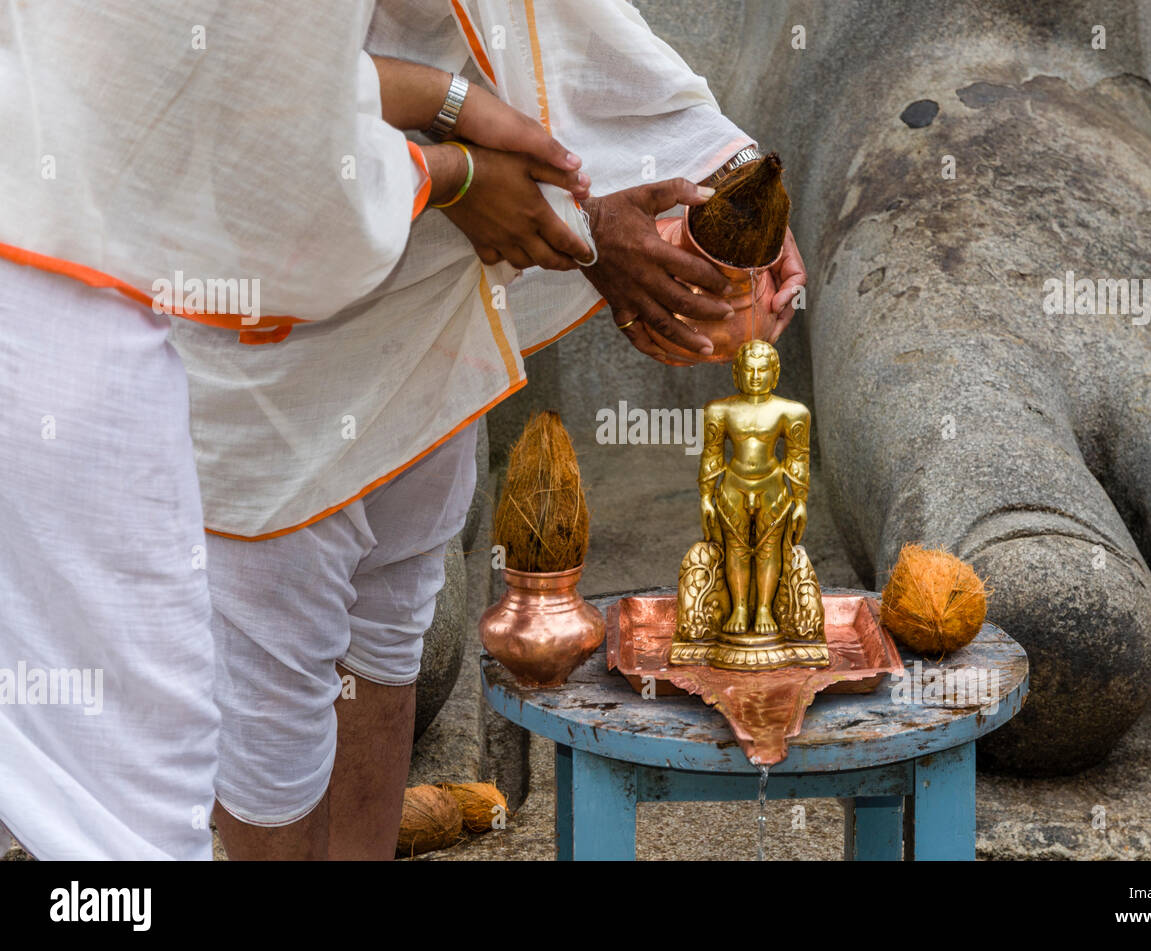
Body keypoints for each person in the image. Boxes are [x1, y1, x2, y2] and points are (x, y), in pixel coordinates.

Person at [178, 0, 807, 859]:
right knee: (274, 662)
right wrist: (460, 161)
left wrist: (722, 166)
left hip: (427, 298)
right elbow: (243, 84)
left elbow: (558, 17)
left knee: (391, 611)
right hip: (272, 299)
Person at [0, 0, 586, 860]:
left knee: (391, 625)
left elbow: (274, 74)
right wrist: (449, 168)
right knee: (145, 798)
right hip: (150, 333)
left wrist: (448, 110)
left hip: (402, 326)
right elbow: (245, 107)